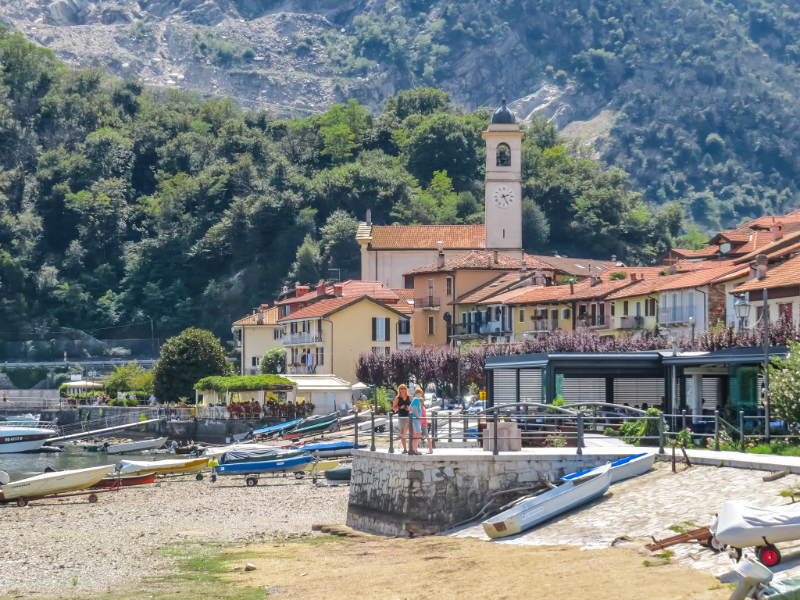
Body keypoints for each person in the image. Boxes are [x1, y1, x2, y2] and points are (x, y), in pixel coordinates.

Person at [392, 384, 412, 454]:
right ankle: (405, 449)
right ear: (399, 390)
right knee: (402, 432)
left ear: (406, 389)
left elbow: (413, 407)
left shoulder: (410, 397)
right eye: (401, 388)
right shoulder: (397, 398)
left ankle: (412, 448)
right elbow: (394, 408)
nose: (403, 390)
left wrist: (408, 408)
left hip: (409, 416)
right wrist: (400, 408)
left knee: (411, 432)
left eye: (404, 388)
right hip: (401, 416)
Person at [417, 388, 434, 455]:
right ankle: (416, 448)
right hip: (421, 423)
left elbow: (421, 415)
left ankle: (431, 449)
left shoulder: (422, 408)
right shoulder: (421, 408)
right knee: (418, 436)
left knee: (426, 436)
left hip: (423, 424)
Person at [408, 388, 424, 455]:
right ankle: (415, 449)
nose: (421, 395)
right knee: (418, 434)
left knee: (416, 434)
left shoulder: (414, 399)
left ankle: (413, 448)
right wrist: (419, 418)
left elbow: (409, 408)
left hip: (414, 418)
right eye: (421, 394)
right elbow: (415, 410)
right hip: (416, 419)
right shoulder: (417, 399)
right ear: (419, 393)